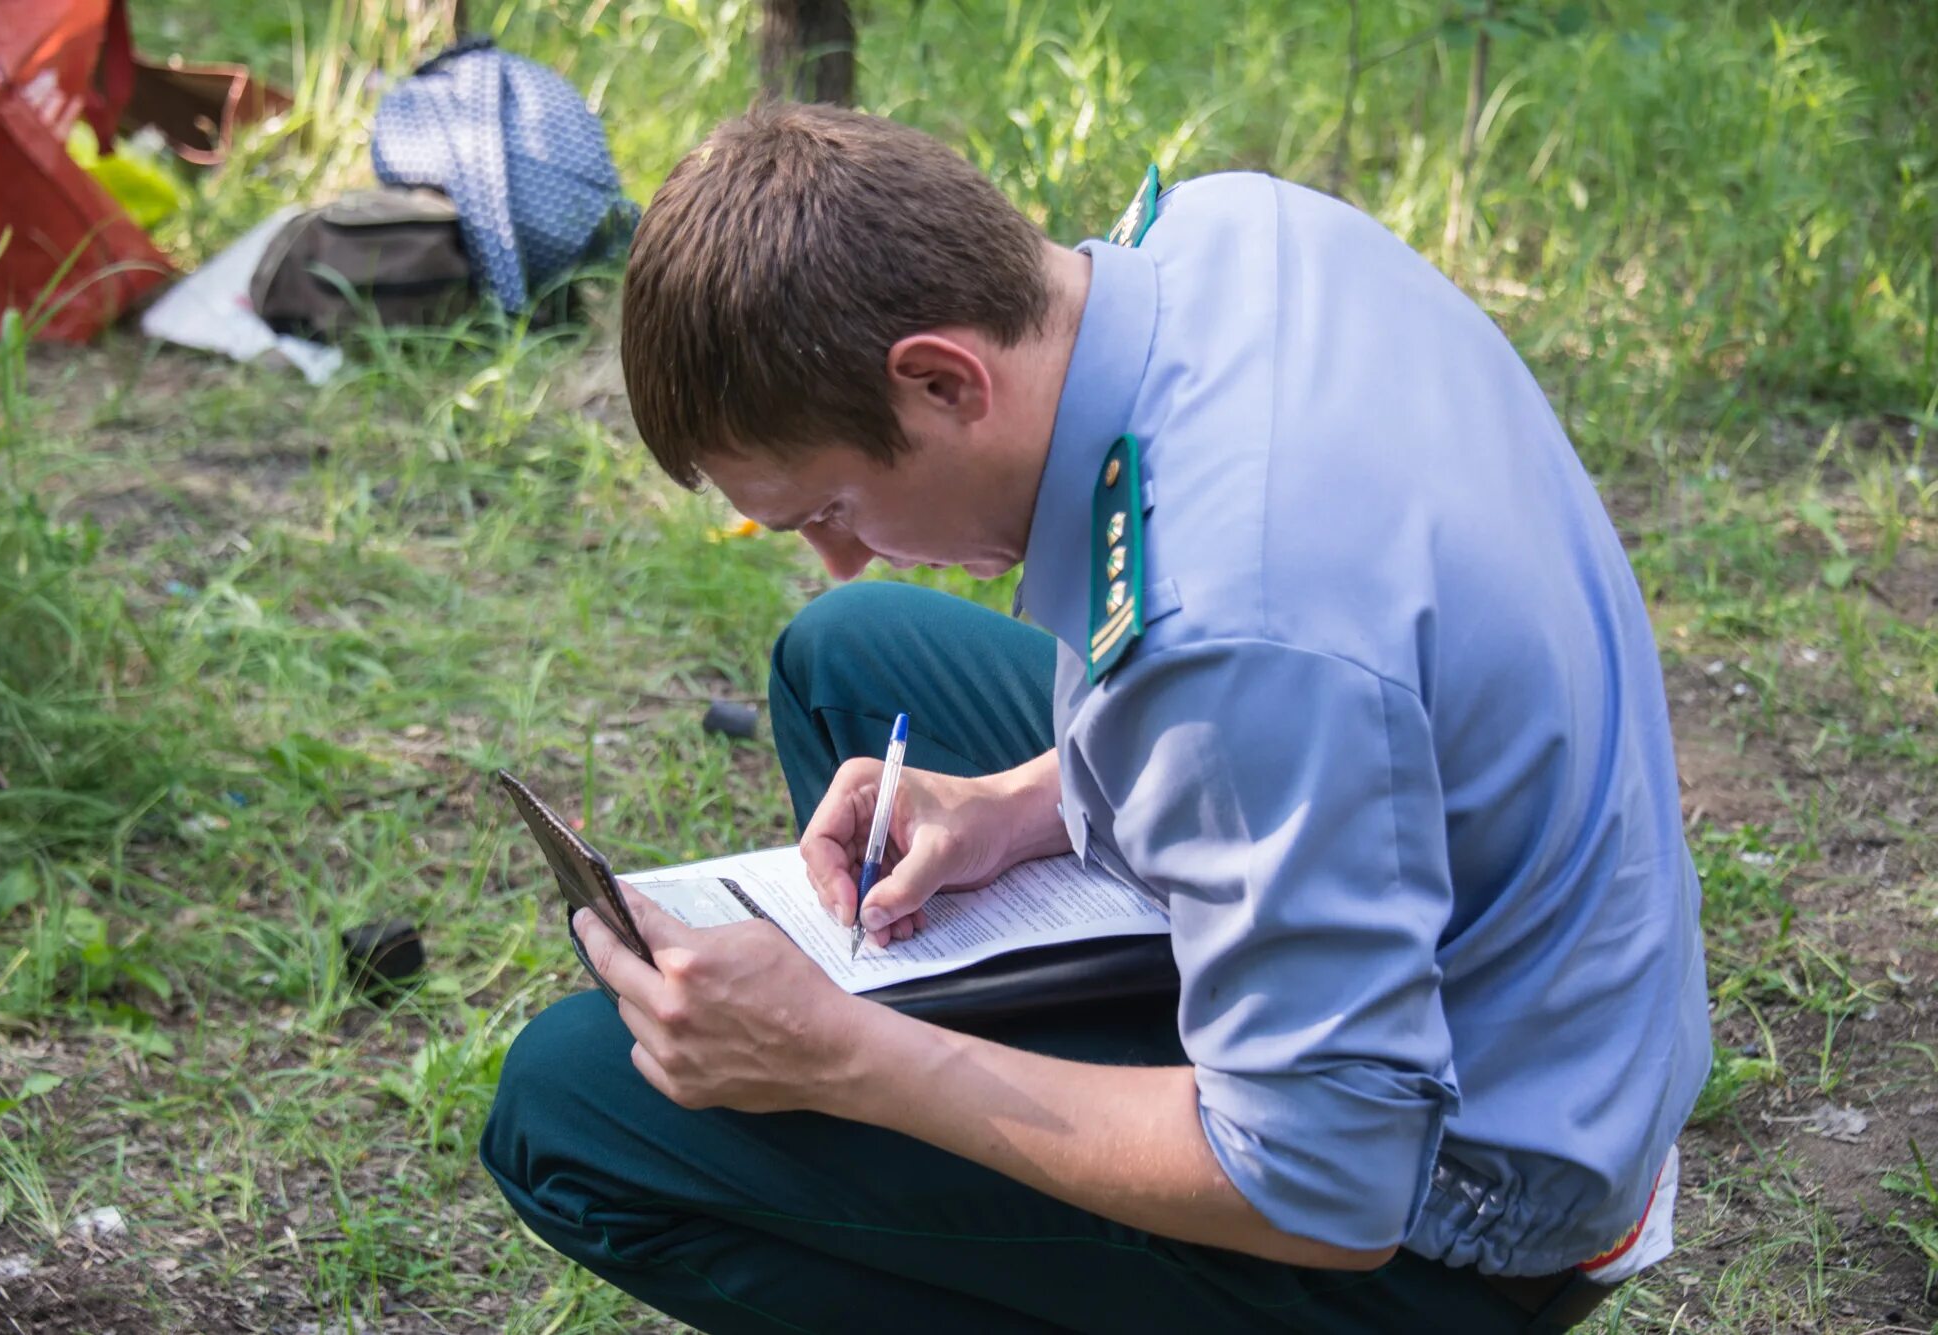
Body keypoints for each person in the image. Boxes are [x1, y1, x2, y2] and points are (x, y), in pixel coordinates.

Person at [479, 102, 1712, 1334]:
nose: (839, 557)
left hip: (1455, 1212)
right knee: (848, 656)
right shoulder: (1228, 228)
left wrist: (842, 1061)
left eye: (836, 506)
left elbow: (1329, 1183)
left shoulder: (1233, 629)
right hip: (1510, 959)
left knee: (570, 1106)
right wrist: (1026, 803)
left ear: (940, 378)